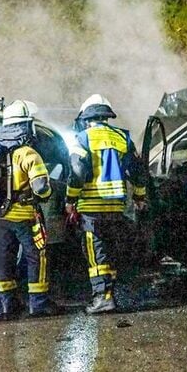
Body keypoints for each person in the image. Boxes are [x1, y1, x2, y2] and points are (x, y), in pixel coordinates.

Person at [66, 94, 148, 314]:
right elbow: (137, 172)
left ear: (86, 117)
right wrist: (139, 197)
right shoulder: (123, 138)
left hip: (92, 208)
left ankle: (102, 298)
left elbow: (76, 172)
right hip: (116, 208)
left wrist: (70, 200)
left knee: (96, 254)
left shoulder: (82, 138)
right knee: (110, 252)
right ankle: (109, 294)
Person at [0, 100, 56, 318]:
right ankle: (38, 303)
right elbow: (41, 187)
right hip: (26, 216)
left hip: (0, 217)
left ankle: (8, 304)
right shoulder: (28, 153)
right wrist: (48, 195)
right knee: (36, 257)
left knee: (4, 258)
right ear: (26, 126)